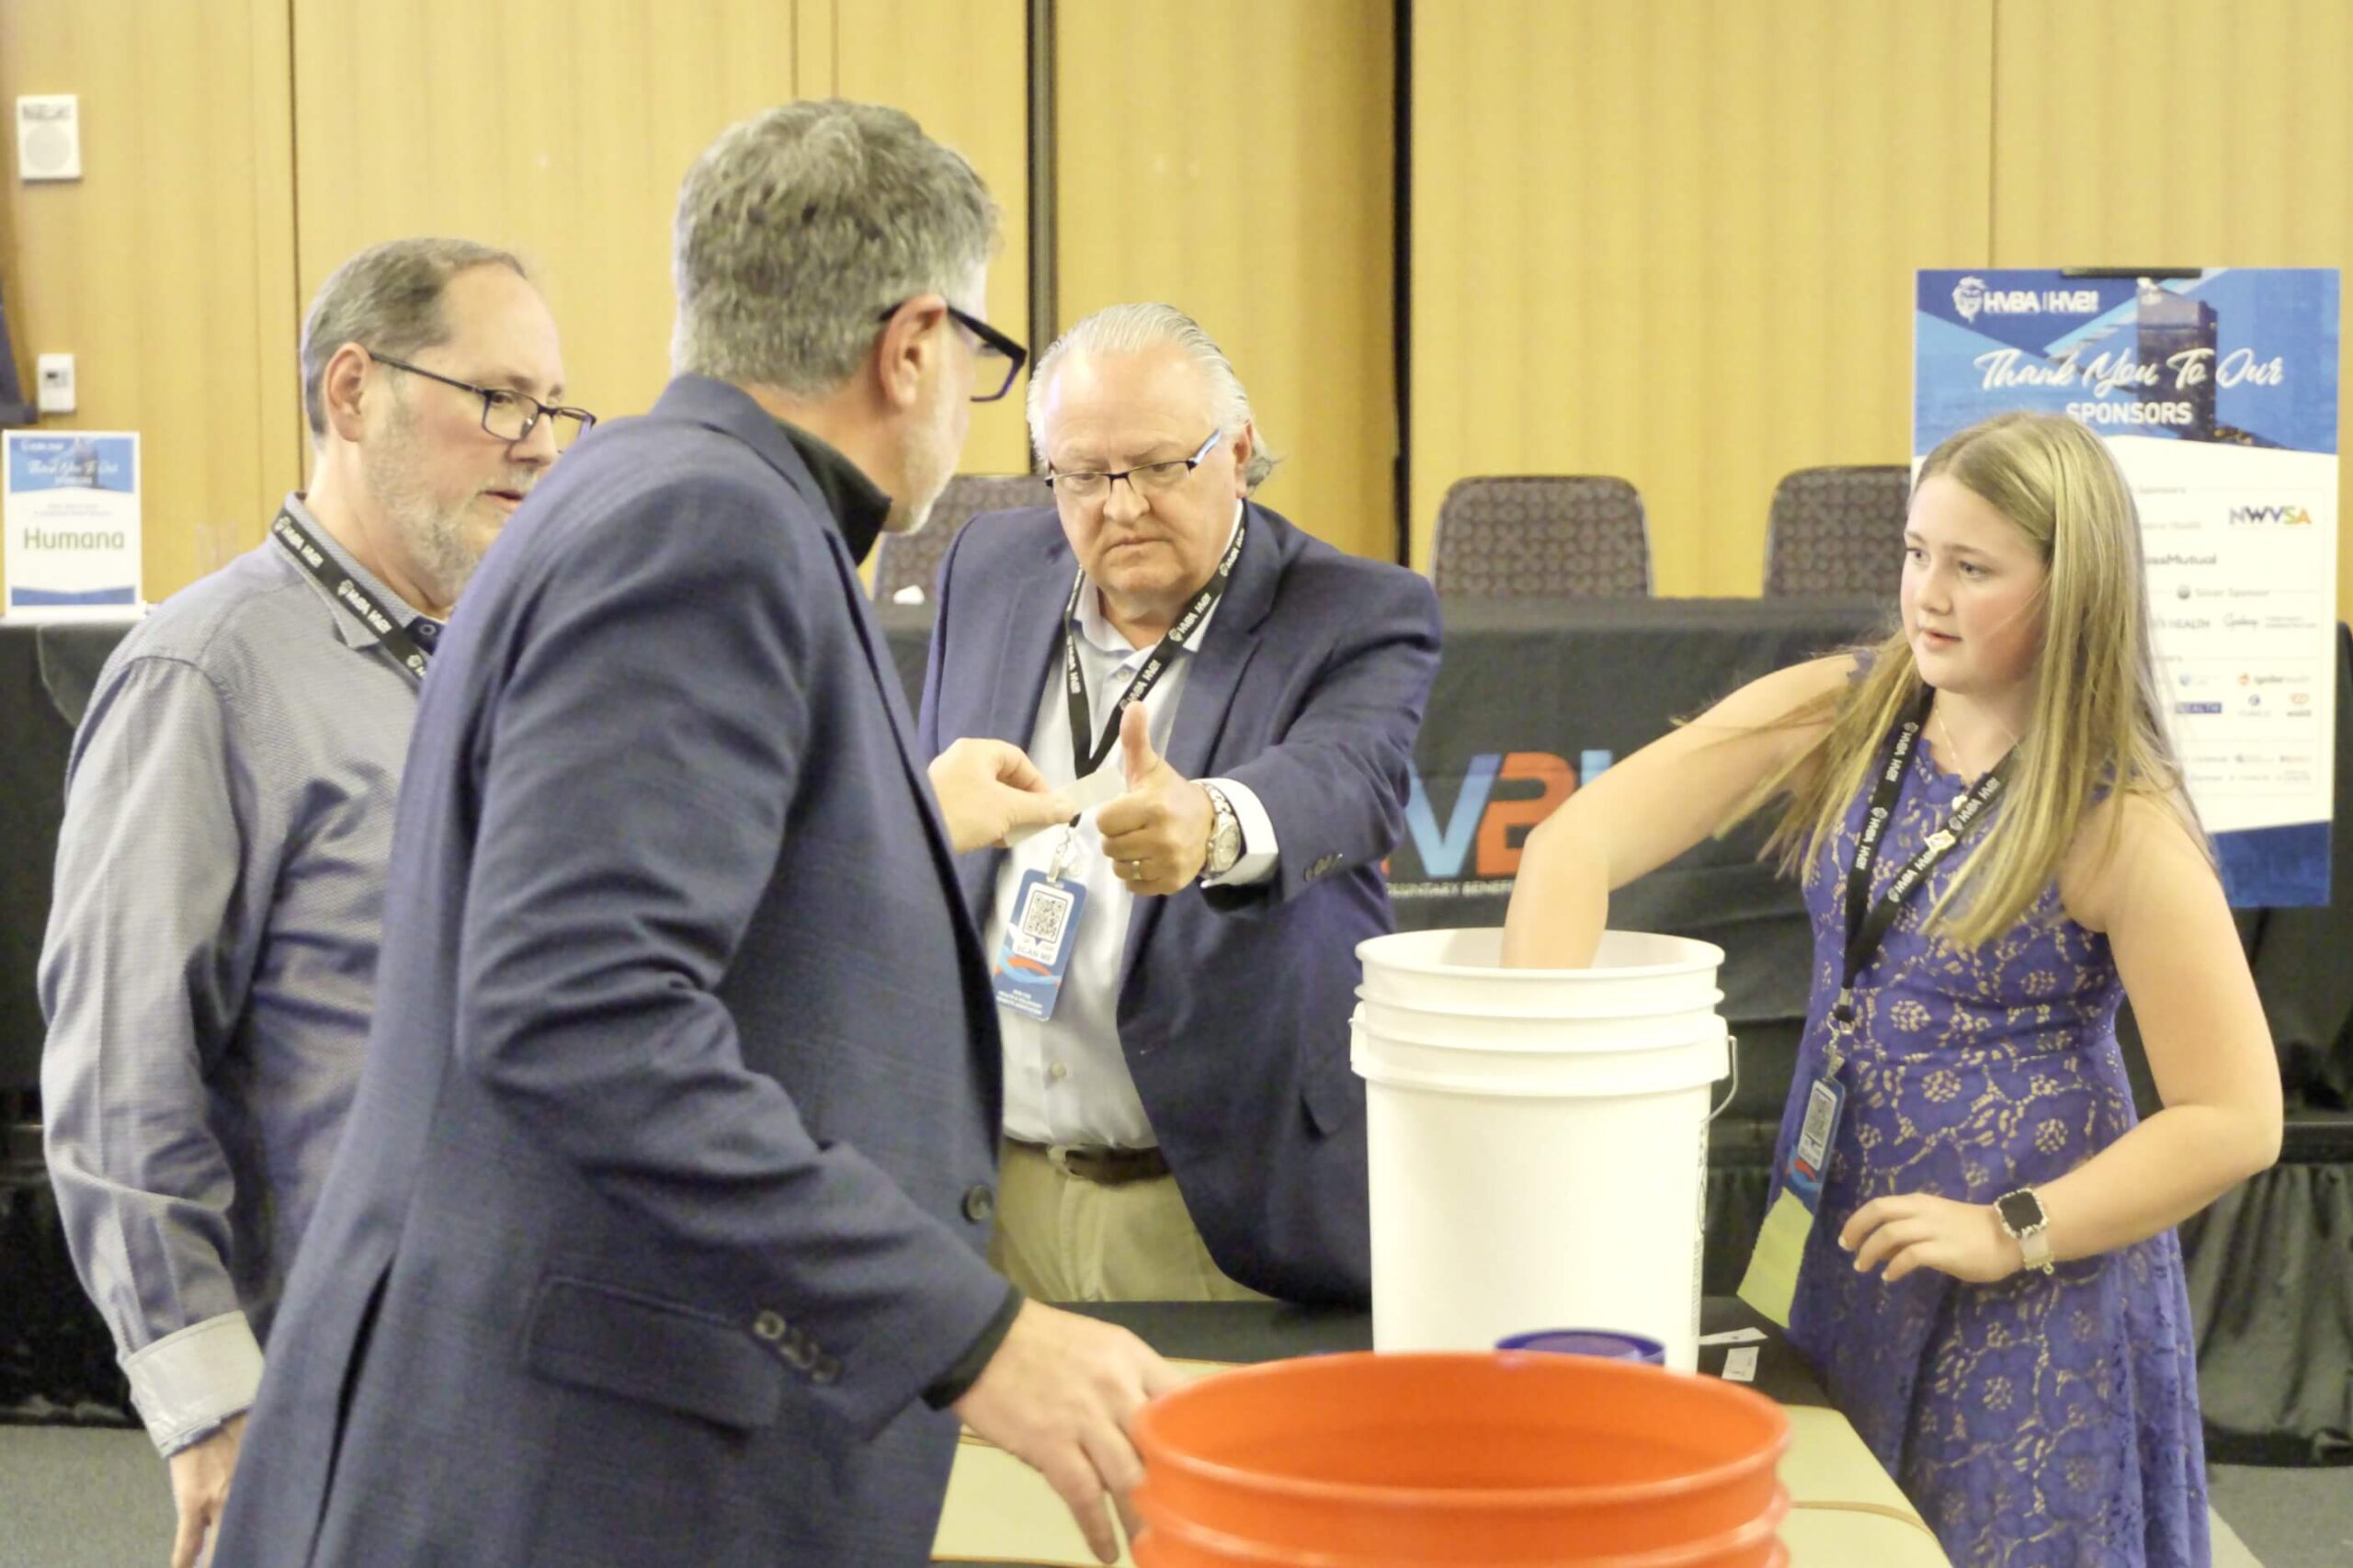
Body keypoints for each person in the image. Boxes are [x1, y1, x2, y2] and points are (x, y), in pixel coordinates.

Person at [208, 102, 1173, 1568]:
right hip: (574, 1473)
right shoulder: (712, 527)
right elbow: (577, 1007)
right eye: (979, 360)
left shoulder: (651, 494)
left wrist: (898, 828)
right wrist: (970, 1331)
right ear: (915, 345)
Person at [1503, 411, 2282, 1565]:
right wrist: (1534, 1110)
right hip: (1844, 1237)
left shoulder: (2118, 816)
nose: (1928, 593)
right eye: (1917, 552)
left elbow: (2236, 1117)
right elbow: (1574, 844)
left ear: (2073, 589)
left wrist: (2011, 1230)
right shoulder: (1853, 704)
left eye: (1973, 568)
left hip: (2025, 1286)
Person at [39, 236, 580, 1568]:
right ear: (353, 391)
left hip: (522, 1379)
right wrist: (214, 1411)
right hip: (326, 1408)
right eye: (499, 397)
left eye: (553, 406)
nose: (536, 442)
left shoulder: (501, 666)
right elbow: (118, 1078)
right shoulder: (207, 674)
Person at [919, 302, 1441, 1305]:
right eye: (1081, 474)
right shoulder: (986, 567)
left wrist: (1214, 824)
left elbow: (1351, 776)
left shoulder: (1355, 611)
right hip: (990, 1193)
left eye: (1158, 466)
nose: (1120, 508)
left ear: (1236, 452)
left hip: (1213, 1209)